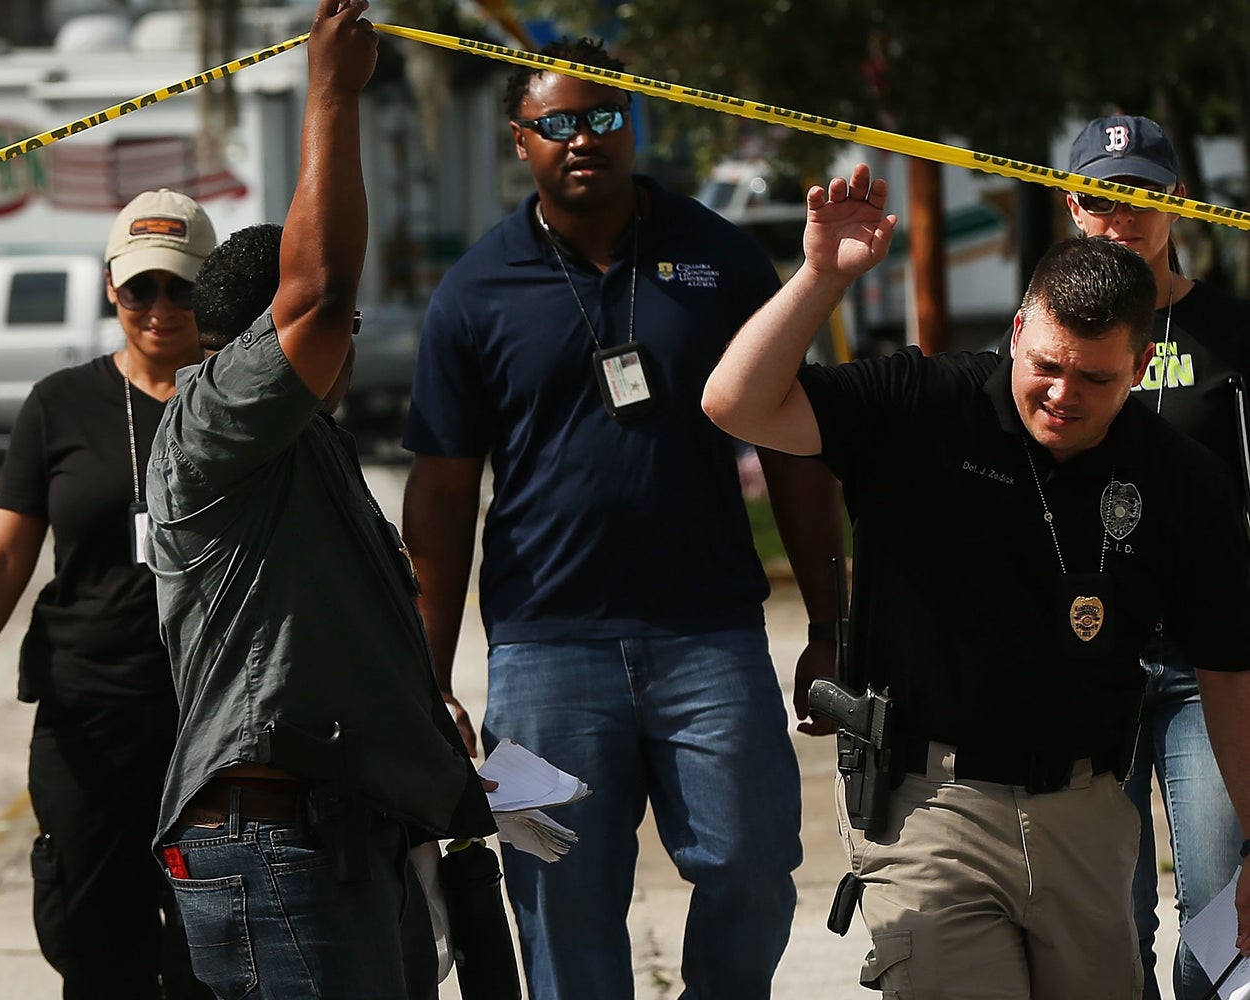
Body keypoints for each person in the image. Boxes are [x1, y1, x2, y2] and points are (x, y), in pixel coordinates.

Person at [703, 163, 1250, 996]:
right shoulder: (926, 403)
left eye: (1095, 378)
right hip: (932, 810)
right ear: (1020, 325)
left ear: (1139, 368)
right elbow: (735, 404)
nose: (1062, 395)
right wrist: (821, 278)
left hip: (1087, 814)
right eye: (1045, 366)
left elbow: (1229, 672)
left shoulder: (1179, 478)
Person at [400, 36, 844, 999]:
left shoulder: (720, 260)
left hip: (712, 643)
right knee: (555, 899)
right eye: (555, 123)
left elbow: (795, 451)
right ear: (520, 141)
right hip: (540, 656)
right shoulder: (474, 291)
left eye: (603, 117)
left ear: (631, 122)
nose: (582, 138)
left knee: (756, 867)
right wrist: (427, 679)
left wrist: (830, 624)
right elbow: (438, 498)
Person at [145, 2, 493, 996]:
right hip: (274, 850)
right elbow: (319, 289)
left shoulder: (297, 448)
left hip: (329, 836)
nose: (343, 349)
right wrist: (331, 90)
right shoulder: (217, 418)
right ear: (259, 344)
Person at [0, 188, 216, 1000]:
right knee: (93, 941)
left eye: (181, 287)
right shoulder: (60, 404)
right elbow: (6, 554)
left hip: (218, 719)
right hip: (90, 711)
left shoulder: (243, 402)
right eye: (140, 287)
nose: (158, 307)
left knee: (213, 952)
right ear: (112, 286)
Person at [1059, 114, 1250, 999]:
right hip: (1090, 661)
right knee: (1104, 928)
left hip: (1208, 663)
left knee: (1220, 920)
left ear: (1177, 201)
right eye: (1102, 196)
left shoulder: (1231, 331)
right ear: (1072, 206)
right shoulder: (1046, 336)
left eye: (1141, 194)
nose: (1121, 215)